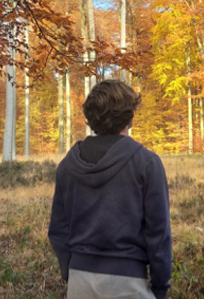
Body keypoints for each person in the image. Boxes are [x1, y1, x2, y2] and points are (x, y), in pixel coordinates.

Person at [48, 79, 171, 299]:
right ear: (130, 117)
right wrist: (160, 287)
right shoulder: (147, 163)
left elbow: (58, 229)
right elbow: (158, 233)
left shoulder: (68, 165)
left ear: (90, 118)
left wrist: (71, 272)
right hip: (129, 283)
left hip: (79, 282)